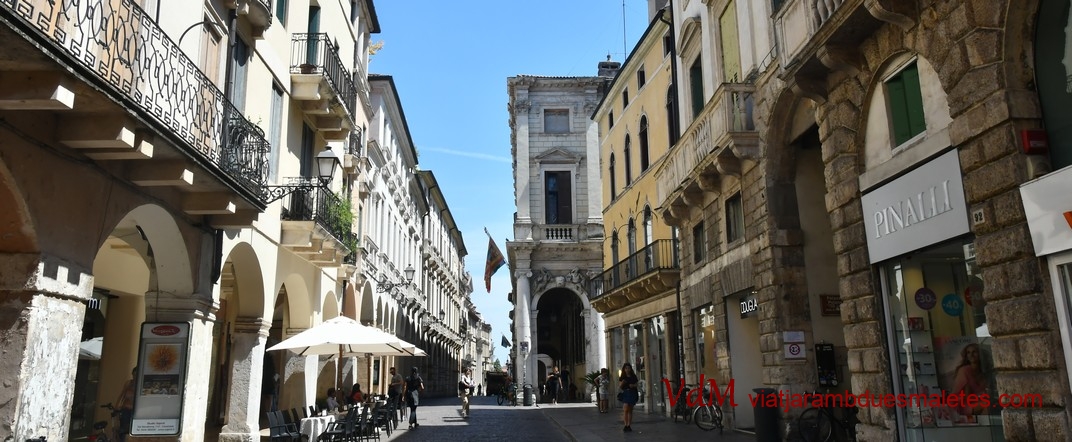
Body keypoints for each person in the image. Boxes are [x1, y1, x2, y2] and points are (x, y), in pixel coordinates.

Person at [952, 343, 988, 416]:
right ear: (966, 356)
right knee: (987, 404)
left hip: (977, 402)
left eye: (974, 352)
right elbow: (967, 398)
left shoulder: (983, 371)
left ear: (980, 354)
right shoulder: (964, 371)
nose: (971, 355)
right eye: (968, 352)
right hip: (962, 405)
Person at [115, 366, 137, 442]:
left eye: (136, 374)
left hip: (134, 411)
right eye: (133, 374)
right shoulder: (128, 383)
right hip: (125, 410)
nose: (134, 376)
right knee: (122, 429)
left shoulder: (139, 385)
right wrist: (117, 405)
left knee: (131, 430)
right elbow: (122, 395)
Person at [619, 363, 639, 432]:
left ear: (630, 369)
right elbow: (620, 386)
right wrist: (623, 382)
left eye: (629, 368)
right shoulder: (623, 377)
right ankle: (625, 424)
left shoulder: (633, 376)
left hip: (632, 393)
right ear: (624, 369)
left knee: (630, 410)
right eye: (626, 368)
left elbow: (636, 384)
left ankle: (629, 425)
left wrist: (633, 385)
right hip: (626, 393)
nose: (627, 370)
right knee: (625, 409)